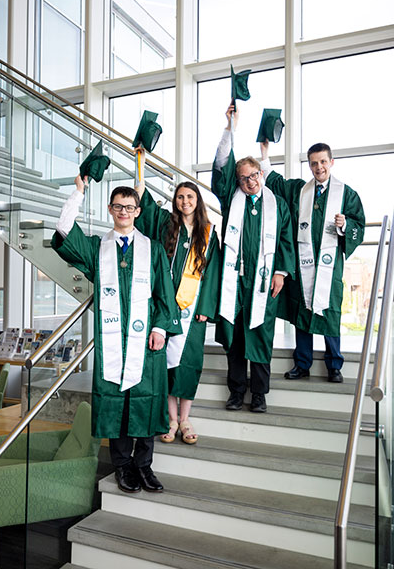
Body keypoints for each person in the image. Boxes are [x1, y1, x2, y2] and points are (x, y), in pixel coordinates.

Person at [51, 175, 181, 493]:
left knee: (147, 402)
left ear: (138, 210)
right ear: (110, 209)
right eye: (118, 206)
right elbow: (65, 233)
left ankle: (144, 465)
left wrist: (161, 328)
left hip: (146, 341)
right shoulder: (98, 249)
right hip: (113, 343)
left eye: (129, 206)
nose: (123, 211)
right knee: (117, 403)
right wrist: (79, 192)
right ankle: (123, 466)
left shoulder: (152, 250)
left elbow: (165, 293)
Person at [212, 104, 295, 413]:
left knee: (260, 336)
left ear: (262, 174)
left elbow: (286, 240)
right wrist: (230, 127)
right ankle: (236, 392)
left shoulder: (277, 205)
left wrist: (281, 273)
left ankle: (258, 394)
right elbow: (221, 165)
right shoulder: (231, 200)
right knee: (234, 338)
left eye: (254, 175)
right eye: (243, 178)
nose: (250, 182)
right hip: (234, 280)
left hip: (263, 281)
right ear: (239, 181)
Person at [135, 149, 220, 444]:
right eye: (180, 197)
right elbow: (142, 206)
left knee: (189, 364)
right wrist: (141, 167)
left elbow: (213, 274)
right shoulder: (165, 225)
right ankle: (171, 420)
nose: (185, 202)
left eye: (190, 197)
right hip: (166, 307)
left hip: (194, 309)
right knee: (167, 364)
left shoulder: (208, 233)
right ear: (175, 201)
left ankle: (186, 419)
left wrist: (207, 308)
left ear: (198, 201)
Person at [262, 140, 365, 383]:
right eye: (313, 163)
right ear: (309, 166)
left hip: (329, 267)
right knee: (303, 311)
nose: (318, 167)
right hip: (304, 264)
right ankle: (302, 363)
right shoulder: (300, 190)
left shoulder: (346, 194)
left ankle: (334, 365)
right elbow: (276, 182)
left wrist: (345, 226)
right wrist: (265, 154)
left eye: (322, 162)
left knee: (329, 311)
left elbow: (358, 225)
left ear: (331, 162)